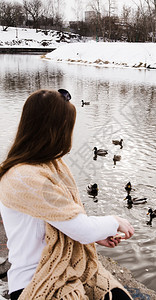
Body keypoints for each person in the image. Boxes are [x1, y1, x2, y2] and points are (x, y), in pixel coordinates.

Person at [0, 89, 134, 300]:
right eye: (69, 127)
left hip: (67, 265)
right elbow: (81, 228)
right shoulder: (25, 177)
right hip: (34, 278)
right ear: (55, 130)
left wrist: (97, 235)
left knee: (117, 296)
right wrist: (114, 221)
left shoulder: (48, 166)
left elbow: (65, 220)